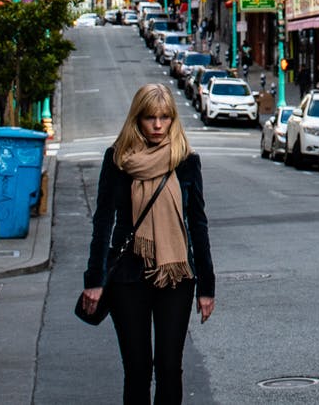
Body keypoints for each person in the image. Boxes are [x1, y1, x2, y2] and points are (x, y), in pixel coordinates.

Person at [82, 84, 215, 404]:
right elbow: (103, 222)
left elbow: (198, 224)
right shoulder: (117, 160)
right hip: (128, 276)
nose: (157, 125)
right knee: (138, 369)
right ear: (136, 119)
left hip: (176, 276)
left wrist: (207, 286)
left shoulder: (185, 160)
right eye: (150, 118)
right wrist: (94, 280)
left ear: (173, 120)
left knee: (170, 368)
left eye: (165, 117)